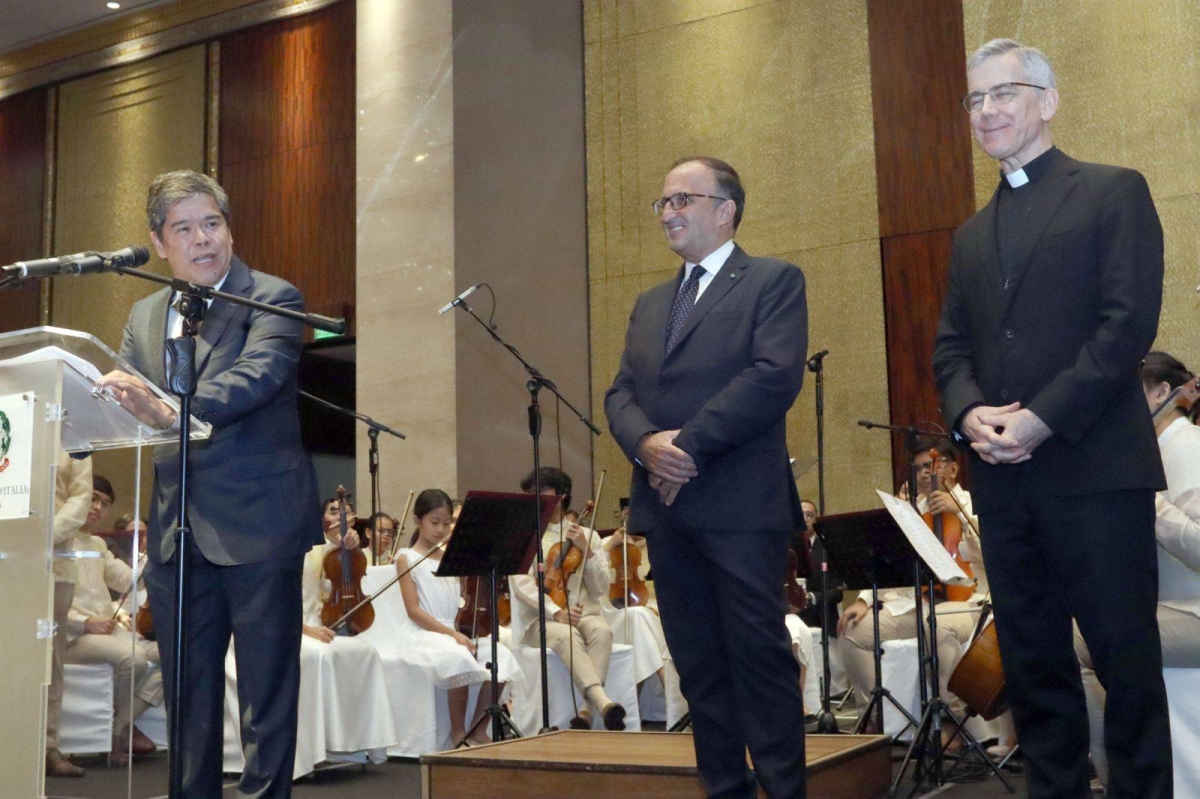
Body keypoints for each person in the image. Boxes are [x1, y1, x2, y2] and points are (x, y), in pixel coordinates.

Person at [932, 39, 1171, 797]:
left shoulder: (1112, 191)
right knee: (1033, 666)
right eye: (975, 99)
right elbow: (950, 349)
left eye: (1004, 93)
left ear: (1048, 100)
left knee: (1125, 662)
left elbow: (1126, 325)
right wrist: (970, 413)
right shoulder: (969, 234)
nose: (988, 111)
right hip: (1004, 485)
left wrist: (1040, 418)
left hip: (1096, 471)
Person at [97, 169, 321, 797]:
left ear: (229, 228)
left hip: (259, 525)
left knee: (265, 697)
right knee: (187, 698)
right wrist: (106, 401)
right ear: (159, 242)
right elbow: (127, 397)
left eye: (212, 223)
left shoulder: (272, 298)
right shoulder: (145, 315)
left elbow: (257, 377)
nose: (202, 240)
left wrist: (171, 409)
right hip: (175, 533)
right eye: (184, 228)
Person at [604, 156, 807, 797]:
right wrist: (644, 444)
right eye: (663, 203)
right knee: (698, 668)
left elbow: (773, 377)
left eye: (683, 200)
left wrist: (683, 449)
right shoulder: (649, 301)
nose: (669, 212)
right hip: (668, 514)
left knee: (759, 662)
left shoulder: (772, 281)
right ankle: (724, 788)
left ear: (726, 210)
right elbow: (621, 392)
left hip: (740, 505)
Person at [1076, 352, 1200, 792]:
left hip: (1193, 612)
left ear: (1163, 393)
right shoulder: (1145, 452)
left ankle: (1121, 782)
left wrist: (1150, 504)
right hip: (1164, 607)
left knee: (1081, 645)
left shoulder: (1190, 448)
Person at [837, 441, 984, 742]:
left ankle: (951, 721)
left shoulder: (973, 503)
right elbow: (888, 559)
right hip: (918, 602)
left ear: (954, 469)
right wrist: (865, 600)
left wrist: (964, 518)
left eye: (932, 465)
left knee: (938, 625)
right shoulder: (914, 510)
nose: (924, 473)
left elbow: (995, 553)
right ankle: (878, 720)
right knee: (853, 631)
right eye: (918, 468)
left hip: (969, 601)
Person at [394, 489, 522, 745]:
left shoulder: (453, 557)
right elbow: (413, 611)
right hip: (425, 632)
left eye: (447, 523)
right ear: (417, 521)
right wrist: (452, 634)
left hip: (456, 631)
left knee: (500, 655)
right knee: (457, 654)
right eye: (434, 522)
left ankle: (478, 726)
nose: (441, 529)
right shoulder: (406, 557)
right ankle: (457, 731)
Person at [510, 467, 626, 730]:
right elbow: (521, 584)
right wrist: (555, 611)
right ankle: (603, 702)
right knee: (566, 635)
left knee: (602, 631)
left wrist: (588, 551)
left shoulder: (589, 536)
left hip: (584, 613)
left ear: (562, 496)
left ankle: (585, 712)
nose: (535, 497)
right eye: (530, 492)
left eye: (542, 491)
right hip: (542, 619)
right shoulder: (525, 534)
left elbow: (599, 588)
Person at [62, 475, 163, 767]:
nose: (97, 507)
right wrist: (84, 623)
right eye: (92, 498)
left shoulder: (97, 544)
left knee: (173, 652)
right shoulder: (56, 539)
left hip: (104, 634)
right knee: (132, 658)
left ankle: (118, 727)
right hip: (68, 637)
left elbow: (131, 579)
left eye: (104, 504)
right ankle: (118, 736)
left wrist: (157, 548)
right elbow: (46, 602)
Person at [45, 453, 92, 778]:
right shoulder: (11, 418)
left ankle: (46, 747)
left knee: (50, 662)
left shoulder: (75, 436)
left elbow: (80, 498)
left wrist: (41, 534)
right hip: (7, 559)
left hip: (54, 565)